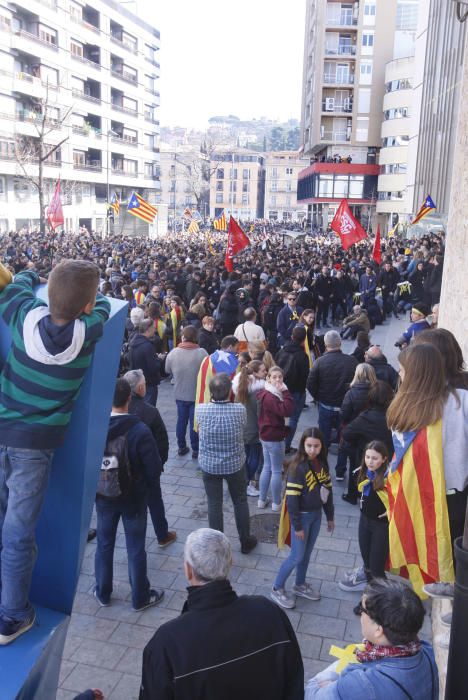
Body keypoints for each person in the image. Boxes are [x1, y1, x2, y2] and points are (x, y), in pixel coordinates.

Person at [0, 260, 110, 645]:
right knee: (18, 529)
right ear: (85, 306)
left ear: (47, 297)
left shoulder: (23, 314)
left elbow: (14, 287)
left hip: (2, 428)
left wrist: (32, 276)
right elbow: (100, 311)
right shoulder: (88, 331)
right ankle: (12, 614)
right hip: (36, 445)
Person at [139, 528, 304, 700]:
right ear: (230, 562)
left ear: (188, 571)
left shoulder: (166, 644)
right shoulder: (270, 613)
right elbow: (295, 683)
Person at [386, 343, 468, 599]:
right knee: (446, 544)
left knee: (443, 544)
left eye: (402, 370)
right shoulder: (460, 399)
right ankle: (451, 588)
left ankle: (454, 595)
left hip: (429, 494)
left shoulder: (457, 403)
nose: (399, 374)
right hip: (447, 493)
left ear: (417, 373)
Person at [94, 379, 165, 612]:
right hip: (134, 498)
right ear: (129, 399)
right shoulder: (139, 430)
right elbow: (154, 468)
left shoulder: (96, 428)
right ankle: (140, 597)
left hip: (104, 497)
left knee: (104, 544)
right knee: (135, 548)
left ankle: (103, 592)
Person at [305, 579, 438, 700]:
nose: (360, 614)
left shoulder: (361, 683)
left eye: (362, 609)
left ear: (378, 630)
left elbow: (310, 694)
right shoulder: (428, 653)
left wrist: (336, 677)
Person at [272, 428, 334, 609]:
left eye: (316, 446)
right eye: (309, 446)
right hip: (302, 518)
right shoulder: (297, 467)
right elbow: (292, 501)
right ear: (303, 445)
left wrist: (330, 516)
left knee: (305, 555)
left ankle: (299, 584)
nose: (312, 450)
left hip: (316, 515)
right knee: (296, 556)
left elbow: (328, 492)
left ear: (322, 446)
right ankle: (277, 587)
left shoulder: (322, 464)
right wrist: (297, 526)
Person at [196, 374, 257, 554]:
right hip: (234, 464)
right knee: (240, 501)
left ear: (211, 392)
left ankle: (217, 547)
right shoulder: (239, 410)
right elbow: (243, 426)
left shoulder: (201, 410)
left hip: (209, 465)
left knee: (214, 503)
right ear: (230, 391)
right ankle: (245, 541)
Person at [124, 369, 176, 548]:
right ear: (140, 388)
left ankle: (137, 537)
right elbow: (162, 441)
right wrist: (159, 463)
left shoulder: (117, 410)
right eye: (144, 383)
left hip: (124, 469)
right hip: (147, 468)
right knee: (154, 501)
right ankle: (162, 534)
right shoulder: (150, 411)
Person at [339, 441, 389, 595]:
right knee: (367, 563)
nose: (370, 461)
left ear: (384, 459)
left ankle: (376, 603)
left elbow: (403, 497)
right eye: (367, 457)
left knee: (376, 568)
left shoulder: (390, 477)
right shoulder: (361, 473)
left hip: (381, 526)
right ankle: (372, 596)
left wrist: (393, 509)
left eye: (374, 458)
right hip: (364, 521)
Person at [341, 380, 394, 505]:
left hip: (366, 455)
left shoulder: (365, 417)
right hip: (387, 458)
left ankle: (353, 495)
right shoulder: (394, 417)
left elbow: (347, 433)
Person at [307, 330, 358, 449]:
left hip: (325, 405)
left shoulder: (319, 362)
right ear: (340, 343)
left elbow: (310, 384)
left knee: (323, 435)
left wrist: (318, 397)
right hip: (345, 406)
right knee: (344, 435)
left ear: (325, 345)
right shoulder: (352, 361)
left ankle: (323, 455)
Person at [165, 326, 208, 458]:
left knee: (181, 421)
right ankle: (196, 449)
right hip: (196, 394)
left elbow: (167, 370)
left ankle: (181, 446)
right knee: (195, 422)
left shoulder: (173, 353)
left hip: (180, 393)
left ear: (183, 336)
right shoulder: (202, 353)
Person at [257, 366, 294, 511]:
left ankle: (261, 500)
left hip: (265, 435)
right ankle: (276, 503)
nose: (278, 380)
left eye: (280, 377)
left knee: (267, 467)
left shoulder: (266, 393)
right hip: (274, 436)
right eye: (274, 377)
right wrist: (285, 392)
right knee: (276, 470)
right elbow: (287, 410)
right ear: (269, 378)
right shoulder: (272, 396)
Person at [335, 363, 377, 481]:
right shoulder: (377, 391)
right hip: (369, 429)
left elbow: (344, 413)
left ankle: (340, 472)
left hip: (351, 426)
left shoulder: (351, 392)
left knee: (343, 449)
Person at [232, 360, 267, 496]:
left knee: (244, 457)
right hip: (254, 430)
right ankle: (246, 484)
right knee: (254, 458)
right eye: (263, 370)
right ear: (255, 373)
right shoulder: (259, 392)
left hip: (241, 428)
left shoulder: (240, 387)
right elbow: (261, 413)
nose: (266, 372)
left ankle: (243, 481)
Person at [276, 326, 310, 453]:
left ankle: (278, 442)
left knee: (278, 417)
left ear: (291, 337)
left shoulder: (281, 351)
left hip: (279, 389)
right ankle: (286, 445)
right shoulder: (303, 356)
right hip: (296, 391)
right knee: (293, 419)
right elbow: (305, 376)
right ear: (303, 340)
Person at [195, 335, 239, 406]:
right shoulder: (236, 364)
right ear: (230, 347)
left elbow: (202, 384)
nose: (237, 351)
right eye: (236, 348)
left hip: (208, 405)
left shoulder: (207, 360)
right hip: (228, 406)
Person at [129, 318, 163, 405]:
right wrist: (159, 359)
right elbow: (153, 367)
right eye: (153, 328)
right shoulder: (147, 346)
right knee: (148, 410)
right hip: (148, 383)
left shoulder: (133, 343)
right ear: (148, 329)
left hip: (137, 381)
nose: (155, 330)